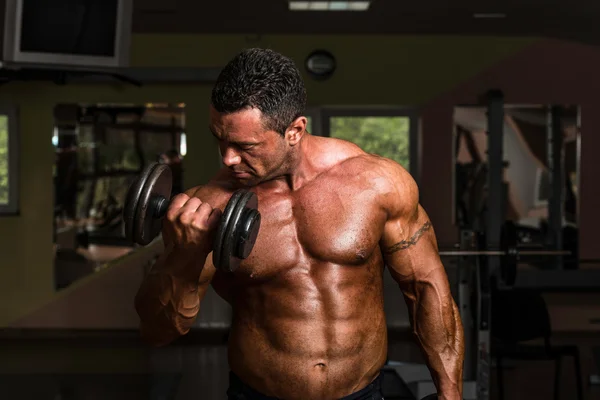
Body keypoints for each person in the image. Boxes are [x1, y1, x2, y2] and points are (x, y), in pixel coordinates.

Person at [134, 48, 464, 400]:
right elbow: (159, 332)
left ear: (295, 130)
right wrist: (182, 256)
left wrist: (450, 392)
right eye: (221, 140)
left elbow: (425, 288)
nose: (229, 158)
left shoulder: (377, 185)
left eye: (246, 146)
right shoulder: (211, 208)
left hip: (362, 393)